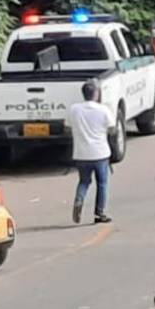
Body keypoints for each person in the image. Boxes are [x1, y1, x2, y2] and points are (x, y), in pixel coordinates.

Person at [65, 81, 113, 224]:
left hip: (81, 154)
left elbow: (67, 127)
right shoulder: (103, 110)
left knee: (84, 181)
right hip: (100, 153)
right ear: (96, 94)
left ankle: (79, 200)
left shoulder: (74, 109)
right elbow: (112, 128)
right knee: (102, 183)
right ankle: (100, 213)